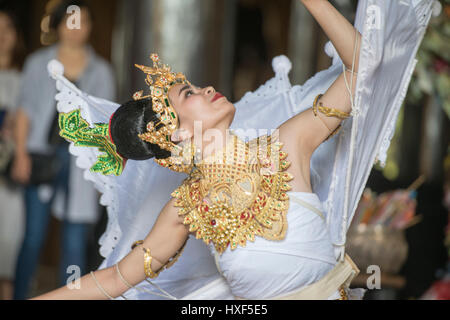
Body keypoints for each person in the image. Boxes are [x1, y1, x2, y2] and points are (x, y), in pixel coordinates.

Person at [34, 0, 437, 300]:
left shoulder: (287, 143)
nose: (207, 88)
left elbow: (364, 68)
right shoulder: (186, 206)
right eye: (189, 93)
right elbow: (115, 279)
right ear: (174, 134)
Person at [11, 0, 115, 300]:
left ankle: (71, 297)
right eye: (69, 21)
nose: (75, 27)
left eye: (82, 21)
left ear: (91, 27)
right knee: (32, 237)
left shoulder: (102, 70)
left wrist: (103, 175)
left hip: (81, 163)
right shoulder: (36, 63)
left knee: (74, 240)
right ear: (57, 25)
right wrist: (20, 154)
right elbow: (25, 112)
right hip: (40, 157)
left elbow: (105, 126)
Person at [0, 7, 25, 301]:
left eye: (7, 28)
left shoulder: (26, 77)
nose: (2, 35)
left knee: (8, 247)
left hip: (10, 176)